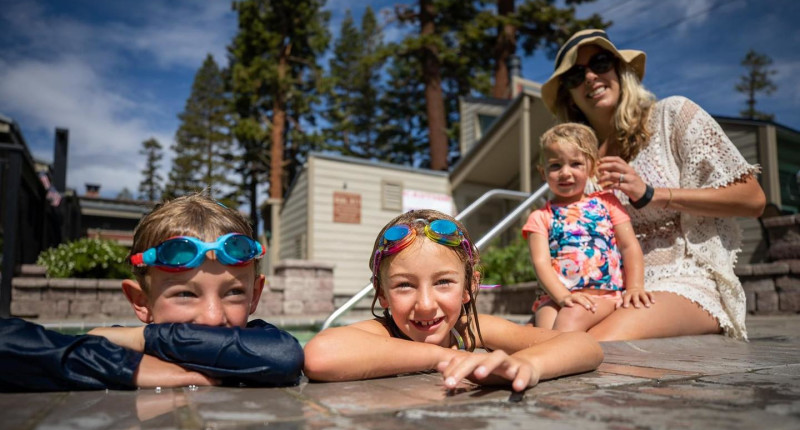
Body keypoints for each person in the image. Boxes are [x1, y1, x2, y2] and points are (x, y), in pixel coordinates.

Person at [539, 29, 766, 341]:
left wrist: (651, 194)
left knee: (593, 344)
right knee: (547, 333)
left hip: (681, 278)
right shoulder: (578, 161)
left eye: (601, 62)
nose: (590, 77)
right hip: (610, 290)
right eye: (575, 75)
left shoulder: (672, 115)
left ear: (620, 70)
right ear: (569, 94)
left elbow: (753, 199)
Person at [0, 193, 303, 392]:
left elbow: (285, 355)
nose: (213, 317)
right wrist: (126, 366)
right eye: (186, 294)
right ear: (140, 301)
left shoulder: (258, 342)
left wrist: (144, 338)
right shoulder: (110, 350)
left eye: (234, 292)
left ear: (255, 294)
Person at [303, 209, 604, 392]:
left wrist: (528, 365)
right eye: (405, 285)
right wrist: (446, 358)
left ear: (468, 288)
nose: (425, 304)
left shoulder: (469, 328)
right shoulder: (383, 333)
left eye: (443, 282)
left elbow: (584, 345)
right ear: (382, 293)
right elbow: (319, 355)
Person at [523, 123, 653, 331]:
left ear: (591, 167)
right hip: (556, 296)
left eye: (575, 164)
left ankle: (555, 360)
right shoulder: (540, 216)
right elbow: (541, 264)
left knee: (567, 322)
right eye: (555, 166)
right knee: (543, 330)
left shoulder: (607, 203)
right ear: (542, 172)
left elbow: (629, 246)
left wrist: (635, 286)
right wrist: (563, 296)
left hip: (602, 295)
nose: (565, 173)